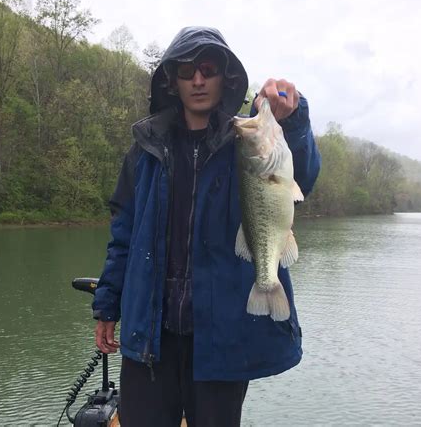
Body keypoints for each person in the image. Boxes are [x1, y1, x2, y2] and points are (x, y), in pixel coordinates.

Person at [92, 26, 321, 427]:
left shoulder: (249, 142)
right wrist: (107, 304)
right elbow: (123, 234)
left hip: (219, 341)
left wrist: (294, 117)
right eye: (186, 70)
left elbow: (302, 174)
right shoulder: (145, 149)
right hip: (150, 338)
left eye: (208, 68)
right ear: (172, 80)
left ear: (226, 77)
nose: (197, 79)